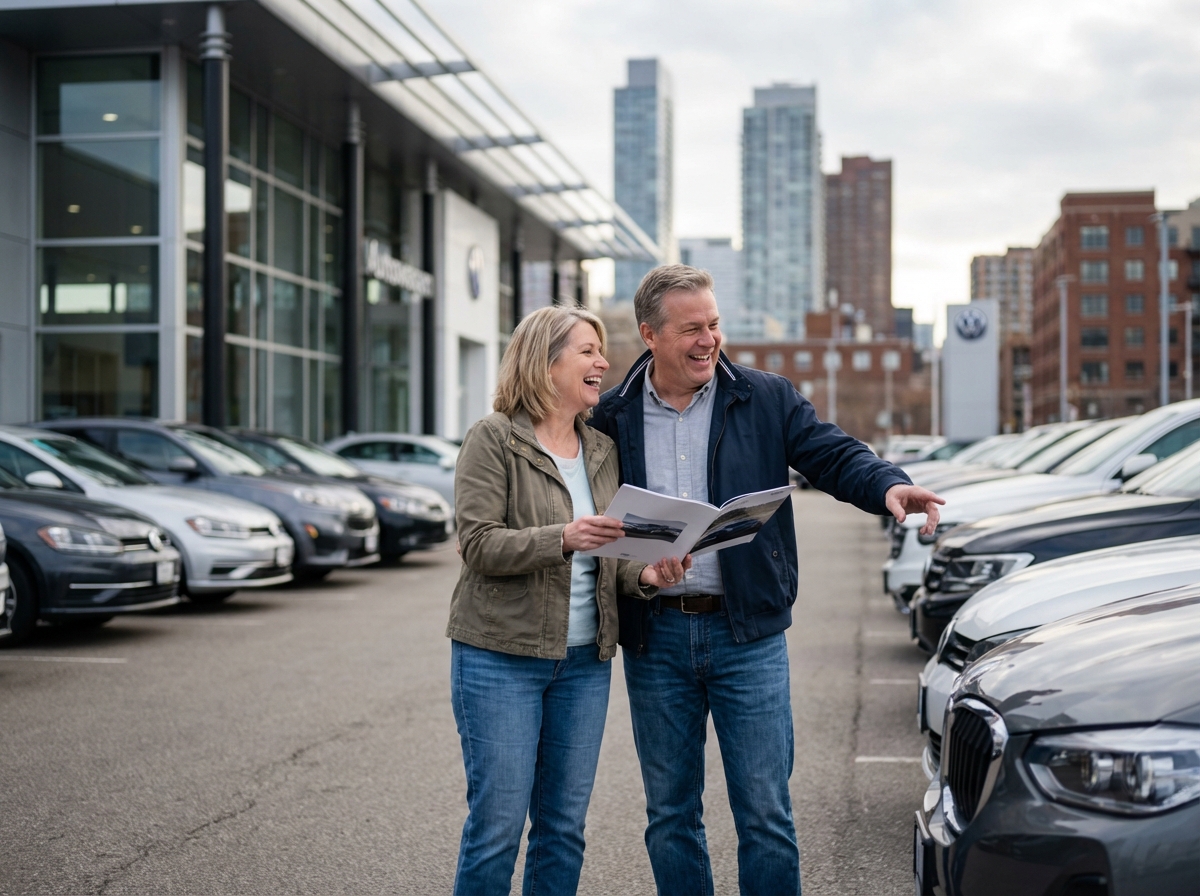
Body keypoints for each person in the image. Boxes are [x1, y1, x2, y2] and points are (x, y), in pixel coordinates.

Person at [590, 265, 944, 896]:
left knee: (765, 814)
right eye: (692, 328)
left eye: (714, 324)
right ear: (649, 334)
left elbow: (832, 453)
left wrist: (888, 484)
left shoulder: (765, 396)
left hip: (746, 635)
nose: (709, 340)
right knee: (670, 816)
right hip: (656, 638)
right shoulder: (611, 417)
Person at [447, 305, 685, 896]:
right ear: (544, 362)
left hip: (584, 664)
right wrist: (562, 538)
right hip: (501, 657)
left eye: (600, 351)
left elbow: (614, 553)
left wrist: (646, 577)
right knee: (497, 828)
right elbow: (478, 544)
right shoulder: (493, 438)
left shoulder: (601, 448)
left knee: (562, 829)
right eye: (587, 351)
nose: (602, 362)